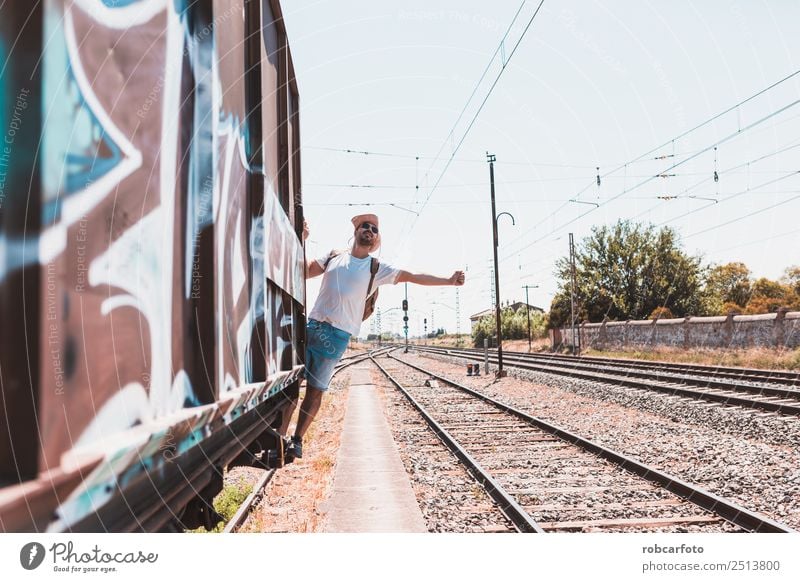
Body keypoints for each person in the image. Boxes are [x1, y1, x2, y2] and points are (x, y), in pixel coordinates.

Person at [280, 213, 465, 460]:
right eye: (365, 226)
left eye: (374, 229)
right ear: (355, 232)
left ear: (376, 239)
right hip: (311, 326)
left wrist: (448, 281)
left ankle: (297, 439)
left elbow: (413, 276)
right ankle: (279, 436)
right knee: (291, 384)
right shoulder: (335, 255)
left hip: (337, 336)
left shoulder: (376, 268)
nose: (369, 230)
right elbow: (304, 270)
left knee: (315, 390)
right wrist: (302, 239)